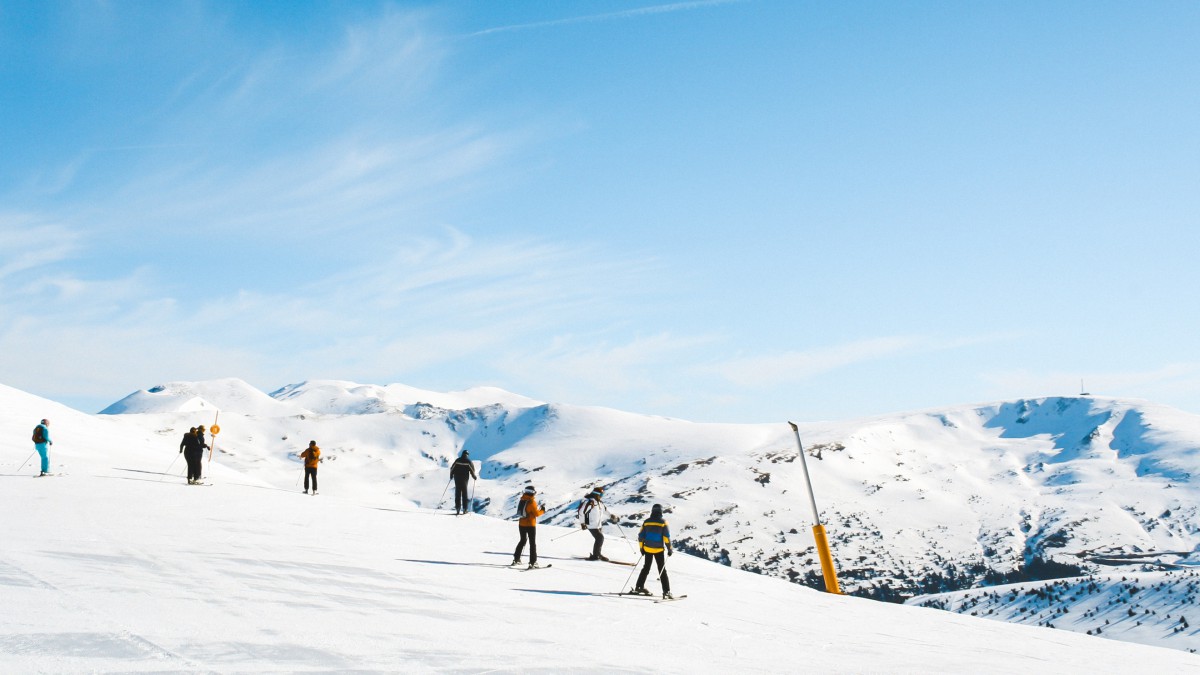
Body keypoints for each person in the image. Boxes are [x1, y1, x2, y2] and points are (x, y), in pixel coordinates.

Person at [632, 503, 673, 598]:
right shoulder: (663, 522)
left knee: (646, 568)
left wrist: (641, 548)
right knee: (662, 570)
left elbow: (641, 536)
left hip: (647, 549)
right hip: (658, 550)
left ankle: (639, 587)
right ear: (661, 512)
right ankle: (666, 591)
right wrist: (670, 549)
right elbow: (666, 537)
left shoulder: (646, 522)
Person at [577, 486, 617, 561]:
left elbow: (605, 510)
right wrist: (582, 523)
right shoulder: (589, 502)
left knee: (599, 539)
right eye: (601, 495)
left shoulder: (599, 503)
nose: (601, 497)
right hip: (591, 524)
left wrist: (611, 516)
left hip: (598, 525)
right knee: (600, 538)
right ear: (596, 494)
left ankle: (598, 554)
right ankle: (596, 555)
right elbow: (581, 512)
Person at [512, 484, 545, 568]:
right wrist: (542, 510)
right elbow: (536, 514)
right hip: (530, 525)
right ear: (533, 493)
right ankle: (533, 562)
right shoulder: (531, 502)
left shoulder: (522, 499)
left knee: (522, 541)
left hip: (521, 524)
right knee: (532, 543)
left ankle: (516, 559)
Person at [449, 450, 477, 514]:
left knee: (457, 494)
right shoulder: (468, 462)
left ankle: (458, 508)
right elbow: (472, 470)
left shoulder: (457, 460)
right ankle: (465, 509)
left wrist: (451, 476)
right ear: (467, 454)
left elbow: (452, 468)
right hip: (464, 480)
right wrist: (474, 477)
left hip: (457, 479)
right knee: (464, 494)